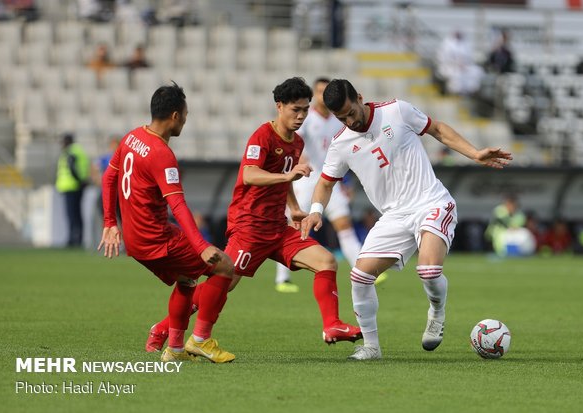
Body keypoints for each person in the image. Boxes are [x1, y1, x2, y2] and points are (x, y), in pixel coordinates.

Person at [300, 79, 512, 360]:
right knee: (360, 276)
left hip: (431, 201)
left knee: (428, 270)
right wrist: (316, 210)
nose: (349, 121)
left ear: (360, 98)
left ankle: (436, 312)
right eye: (342, 118)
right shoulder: (341, 144)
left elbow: (437, 129)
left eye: (351, 112)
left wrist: (475, 153)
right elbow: (325, 183)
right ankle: (372, 348)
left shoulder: (396, 111)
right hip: (394, 216)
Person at [146, 77, 361, 352]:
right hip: (249, 226)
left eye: (305, 109)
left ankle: (332, 324)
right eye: (296, 109)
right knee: (224, 284)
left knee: (327, 261)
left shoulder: (296, 142)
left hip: (277, 227)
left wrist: (293, 207)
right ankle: (163, 327)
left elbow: (285, 179)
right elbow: (249, 174)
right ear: (279, 106)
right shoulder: (262, 136)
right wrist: (287, 175)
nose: (301, 115)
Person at [98, 82, 236, 363]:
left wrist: (111, 222)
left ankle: (173, 349)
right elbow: (178, 205)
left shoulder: (131, 137)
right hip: (156, 238)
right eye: (185, 115)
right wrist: (201, 246)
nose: (185, 120)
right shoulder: (162, 155)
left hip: (134, 239)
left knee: (187, 280)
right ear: (175, 115)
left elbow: (109, 177)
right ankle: (201, 340)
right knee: (225, 267)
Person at [274, 77, 386, 293]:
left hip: (331, 182)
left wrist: (347, 181)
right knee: (292, 225)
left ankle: (363, 271)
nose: (320, 96)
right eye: (318, 92)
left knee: (344, 226)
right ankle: (282, 278)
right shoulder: (305, 119)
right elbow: (291, 144)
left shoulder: (339, 120)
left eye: (324, 92)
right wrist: (298, 163)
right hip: (306, 181)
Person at [56, 133, 90, 247]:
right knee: (76, 214)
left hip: (72, 187)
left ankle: (73, 239)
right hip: (75, 186)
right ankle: (77, 239)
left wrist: (79, 181)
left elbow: (72, 168)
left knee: (72, 214)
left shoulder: (71, 152)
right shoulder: (77, 150)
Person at [435, 31, 483, 95]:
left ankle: (470, 92)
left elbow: (469, 57)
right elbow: (443, 58)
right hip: (450, 66)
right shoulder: (447, 43)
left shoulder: (465, 44)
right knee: (457, 74)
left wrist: (464, 64)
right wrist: (456, 63)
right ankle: (455, 92)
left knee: (477, 71)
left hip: (464, 66)